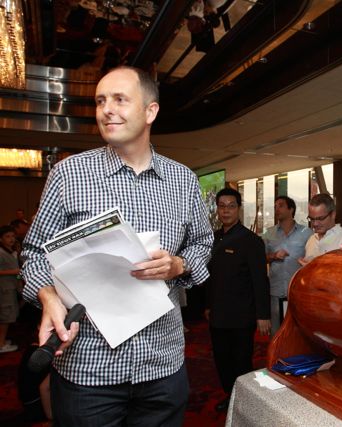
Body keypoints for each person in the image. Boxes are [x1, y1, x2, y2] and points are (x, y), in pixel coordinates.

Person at [21, 66, 214, 426]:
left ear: (150, 111)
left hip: (162, 364)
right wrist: (47, 296)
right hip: (88, 366)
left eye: (120, 99)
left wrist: (179, 265)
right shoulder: (69, 174)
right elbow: (33, 254)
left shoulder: (183, 180)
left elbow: (203, 243)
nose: (106, 109)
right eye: (100, 101)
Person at [204, 187, 270, 412]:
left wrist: (263, 315)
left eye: (231, 206)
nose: (226, 211)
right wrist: (208, 305)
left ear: (239, 209)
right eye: (222, 206)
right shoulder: (212, 239)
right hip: (217, 315)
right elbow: (210, 277)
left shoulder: (251, 241)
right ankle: (231, 396)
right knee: (222, 360)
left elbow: (260, 280)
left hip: (242, 315)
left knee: (241, 361)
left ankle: (245, 403)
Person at [262, 196, 312, 332]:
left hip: (298, 293)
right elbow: (260, 259)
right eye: (275, 206)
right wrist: (273, 256)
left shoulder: (307, 233)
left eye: (281, 205)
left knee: (298, 333)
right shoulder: (269, 233)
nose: (277, 209)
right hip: (275, 292)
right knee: (276, 333)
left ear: (291, 209)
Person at [299, 193, 342, 265]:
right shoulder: (311, 239)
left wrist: (314, 268)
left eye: (320, 218)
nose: (315, 224)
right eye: (312, 219)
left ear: (333, 215)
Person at [0, 225, 20, 353]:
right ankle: (1, 345)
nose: (11, 239)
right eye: (7, 236)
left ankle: (1, 340)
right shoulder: (1, 252)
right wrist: (15, 271)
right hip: (4, 288)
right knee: (5, 317)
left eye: (13, 236)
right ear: (1, 239)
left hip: (11, 286)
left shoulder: (11, 251)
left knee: (9, 314)